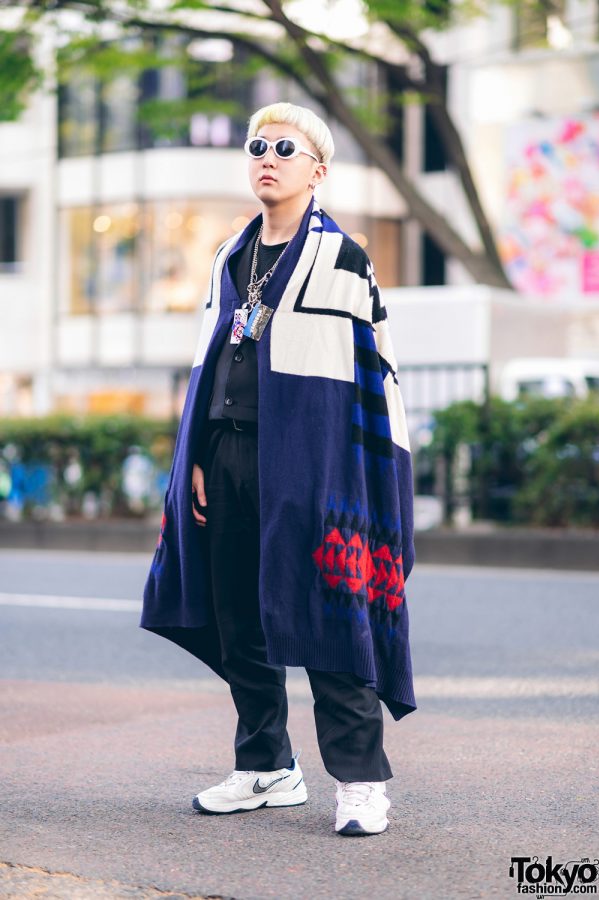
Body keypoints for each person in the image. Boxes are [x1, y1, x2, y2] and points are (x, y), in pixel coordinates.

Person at [140, 101, 416, 837]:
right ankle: (266, 765)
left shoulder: (344, 257)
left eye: (284, 148)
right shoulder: (230, 255)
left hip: (311, 461)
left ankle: (359, 782)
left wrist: (359, 480)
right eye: (257, 144)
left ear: (317, 171)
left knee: (330, 612)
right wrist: (198, 457)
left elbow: (371, 380)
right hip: (229, 455)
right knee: (239, 618)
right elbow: (211, 365)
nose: (267, 157)